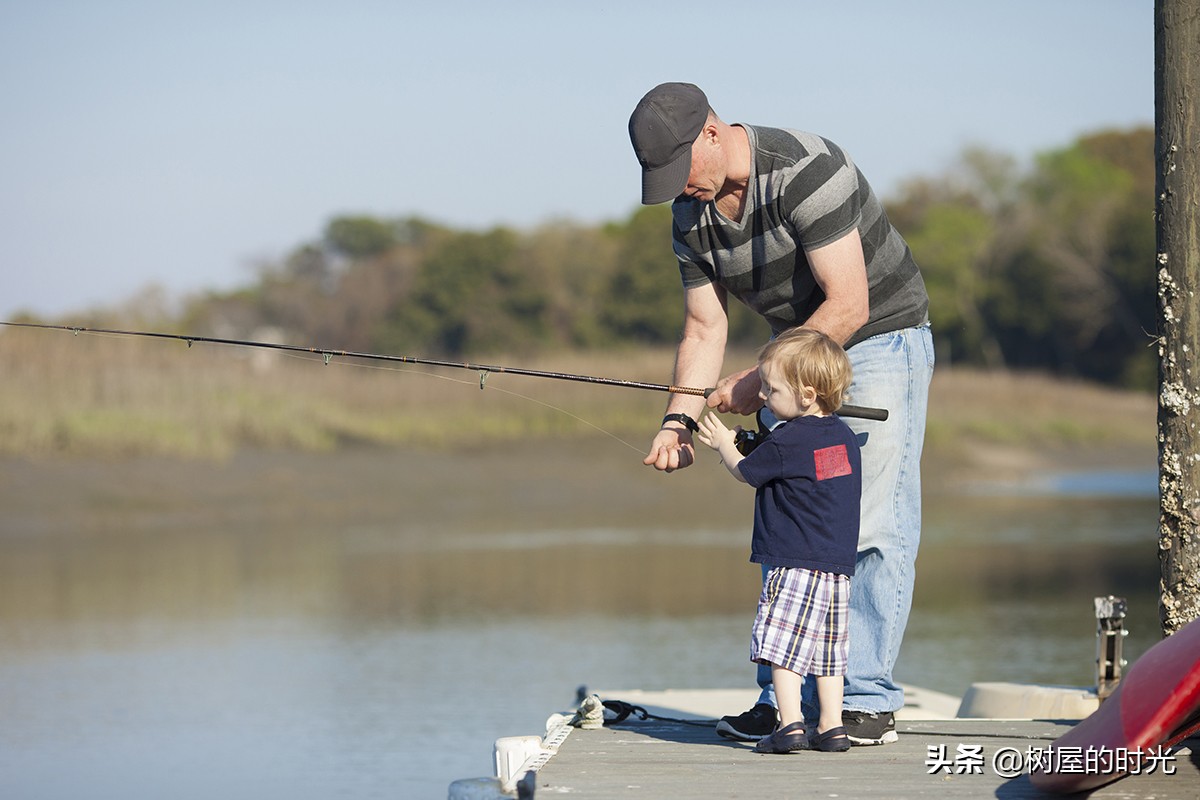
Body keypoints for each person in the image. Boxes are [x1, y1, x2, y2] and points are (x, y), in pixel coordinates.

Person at [628, 82, 934, 746]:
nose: (680, 190)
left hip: (878, 336)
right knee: (787, 512)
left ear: (711, 134)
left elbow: (848, 304)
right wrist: (675, 423)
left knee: (871, 518)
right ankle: (785, 702)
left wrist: (760, 380)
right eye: (665, 182)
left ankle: (865, 699)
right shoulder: (690, 218)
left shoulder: (805, 168)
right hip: (792, 363)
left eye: (681, 173)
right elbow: (704, 331)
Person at [697, 328, 861, 754]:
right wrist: (761, 444)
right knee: (828, 653)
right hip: (836, 567)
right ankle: (831, 726)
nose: (765, 397)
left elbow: (747, 473)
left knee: (782, 649)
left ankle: (789, 725)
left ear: (807, 394)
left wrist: (724, 445)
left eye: (772, 389)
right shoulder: (842, 437)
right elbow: (804, 474)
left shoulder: (789, 438)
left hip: (792, 563)